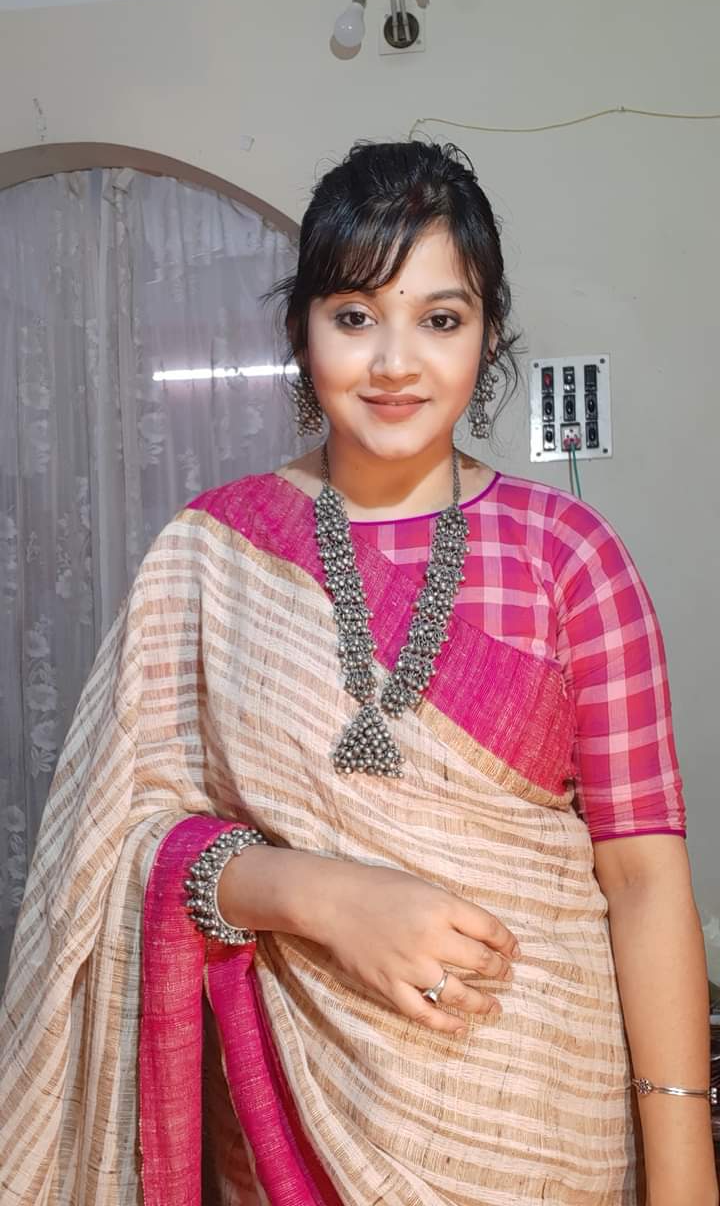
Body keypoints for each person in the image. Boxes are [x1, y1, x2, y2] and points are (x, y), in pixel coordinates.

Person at [0, 140, 716, 1206]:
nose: (394, 362)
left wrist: (687, 1172)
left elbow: (645, 879)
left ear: (488, 334)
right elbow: (108, 854)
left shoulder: (570, 556)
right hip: (288, 1130)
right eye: (353, 315)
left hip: (544, 1126)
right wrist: (319, 895)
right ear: (302, 331)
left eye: (440, 318)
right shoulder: (211, 553)